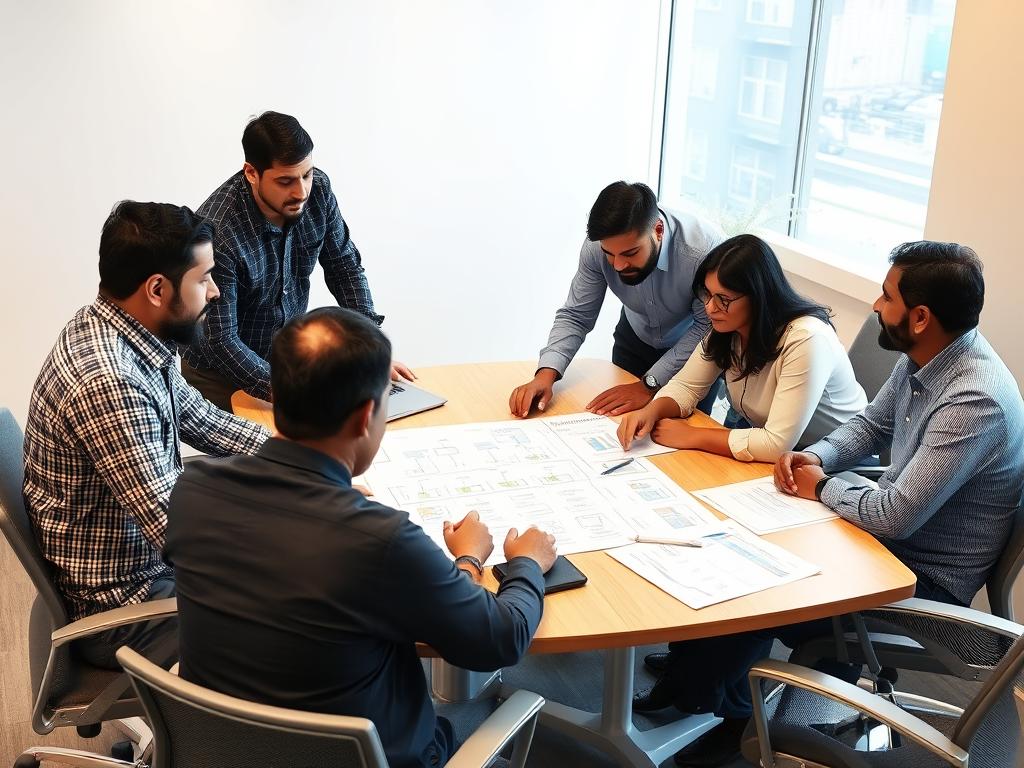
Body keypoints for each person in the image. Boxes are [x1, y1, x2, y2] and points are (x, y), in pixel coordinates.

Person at [634, 241, 1024, 767]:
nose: (876, 305)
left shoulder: (973, 400)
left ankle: (726, 713)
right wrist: (814, 456)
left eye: (886, 297)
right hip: (886, 540)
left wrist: (821, 486)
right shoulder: (928, 359)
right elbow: (870, 425)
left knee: (755, 585)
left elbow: (895, 515)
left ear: (921, 317)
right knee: (738, 541)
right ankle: (700, 687)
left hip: (918, 579)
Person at [166, 307, 558, 768]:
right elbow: (501, 639)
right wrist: (518, 561)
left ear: (277, 393)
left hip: (222, 750)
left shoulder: (194, 490)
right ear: (366, 416)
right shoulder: (381, 540)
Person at [22, 201, 271, 669]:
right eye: (203, 278)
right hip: (126, 608)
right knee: (307, 621)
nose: (215, 291)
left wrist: (297, 459)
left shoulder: (124, 331)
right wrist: (303, 525)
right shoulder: (109, 381)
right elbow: (178, 530)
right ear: (157, 289)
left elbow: (201, 417)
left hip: (149, 568)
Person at [181, 111, 413, 411]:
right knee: (271, 441)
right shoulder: (219, 232)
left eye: (306, 175)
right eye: (285, 181)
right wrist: (290, 392)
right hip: (221, 374)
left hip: (284, 362)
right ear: (251, 173)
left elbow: (344, 267)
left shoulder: (318, 192)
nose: (301, 192)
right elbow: (221, 340)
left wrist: (371, 352)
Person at [617, 234, 866, 462]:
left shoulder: (806, 339)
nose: (710, 308)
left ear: (758, 296)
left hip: (834, 457)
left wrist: (692, 435)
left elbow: (776, 444)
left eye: (723, 299)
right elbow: (687, 386)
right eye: (707, 294)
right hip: (765, 439)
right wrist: (651, 411)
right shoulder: (729, 327)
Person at [509, 181, 723, 419]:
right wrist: (545, 374)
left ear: (658, 230)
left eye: (631, 253)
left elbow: (707, 327)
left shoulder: (703, 253)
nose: (618, 265)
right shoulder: (597, 247)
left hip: (696, 352)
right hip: (634, 339)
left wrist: (648, 385)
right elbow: (577, 315)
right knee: (617, 424)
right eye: (609, 254)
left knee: (683, 434)